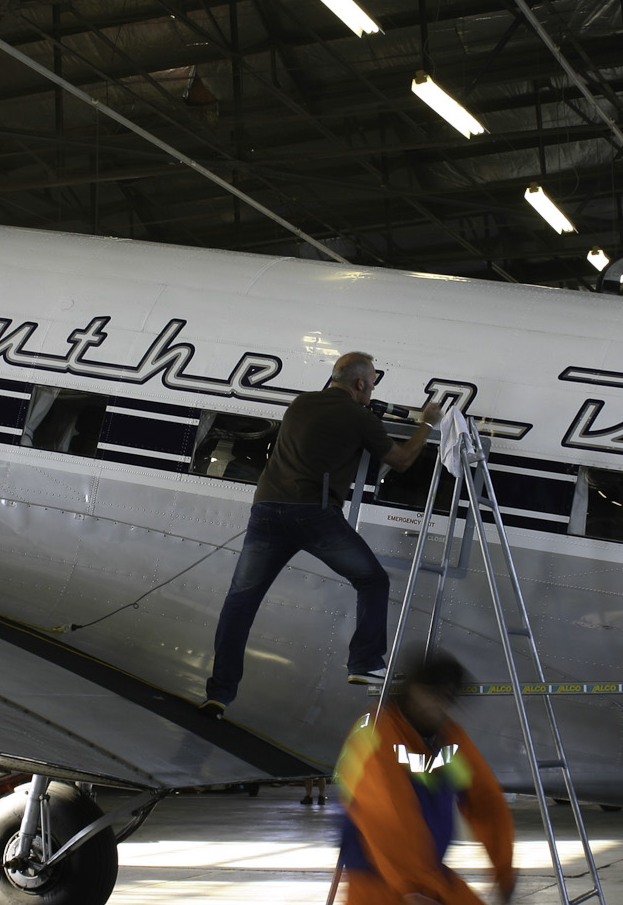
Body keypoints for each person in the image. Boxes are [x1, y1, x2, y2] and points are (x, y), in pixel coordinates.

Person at [201, 351, 442, 716]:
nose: (372, 389)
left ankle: (218, 695)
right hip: (313, 515)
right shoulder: (359, 418)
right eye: (371, 383)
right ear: (359, 383)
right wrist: (427, 424)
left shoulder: (300, 404)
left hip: (266, 511)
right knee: (372, 580)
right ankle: (365, 664)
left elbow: (327, 429)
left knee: (240, 602)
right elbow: (403, 461)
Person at [335, 651, 515, 905]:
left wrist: (504, 869)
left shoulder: (446, 739)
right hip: (377, 882)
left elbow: (484, 801)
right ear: (412, 689)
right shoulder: (375, 734)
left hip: (424, 875)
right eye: (431, 693)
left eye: (446, 697)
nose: (437, 705)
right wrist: (412, 889)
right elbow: (387, 814)